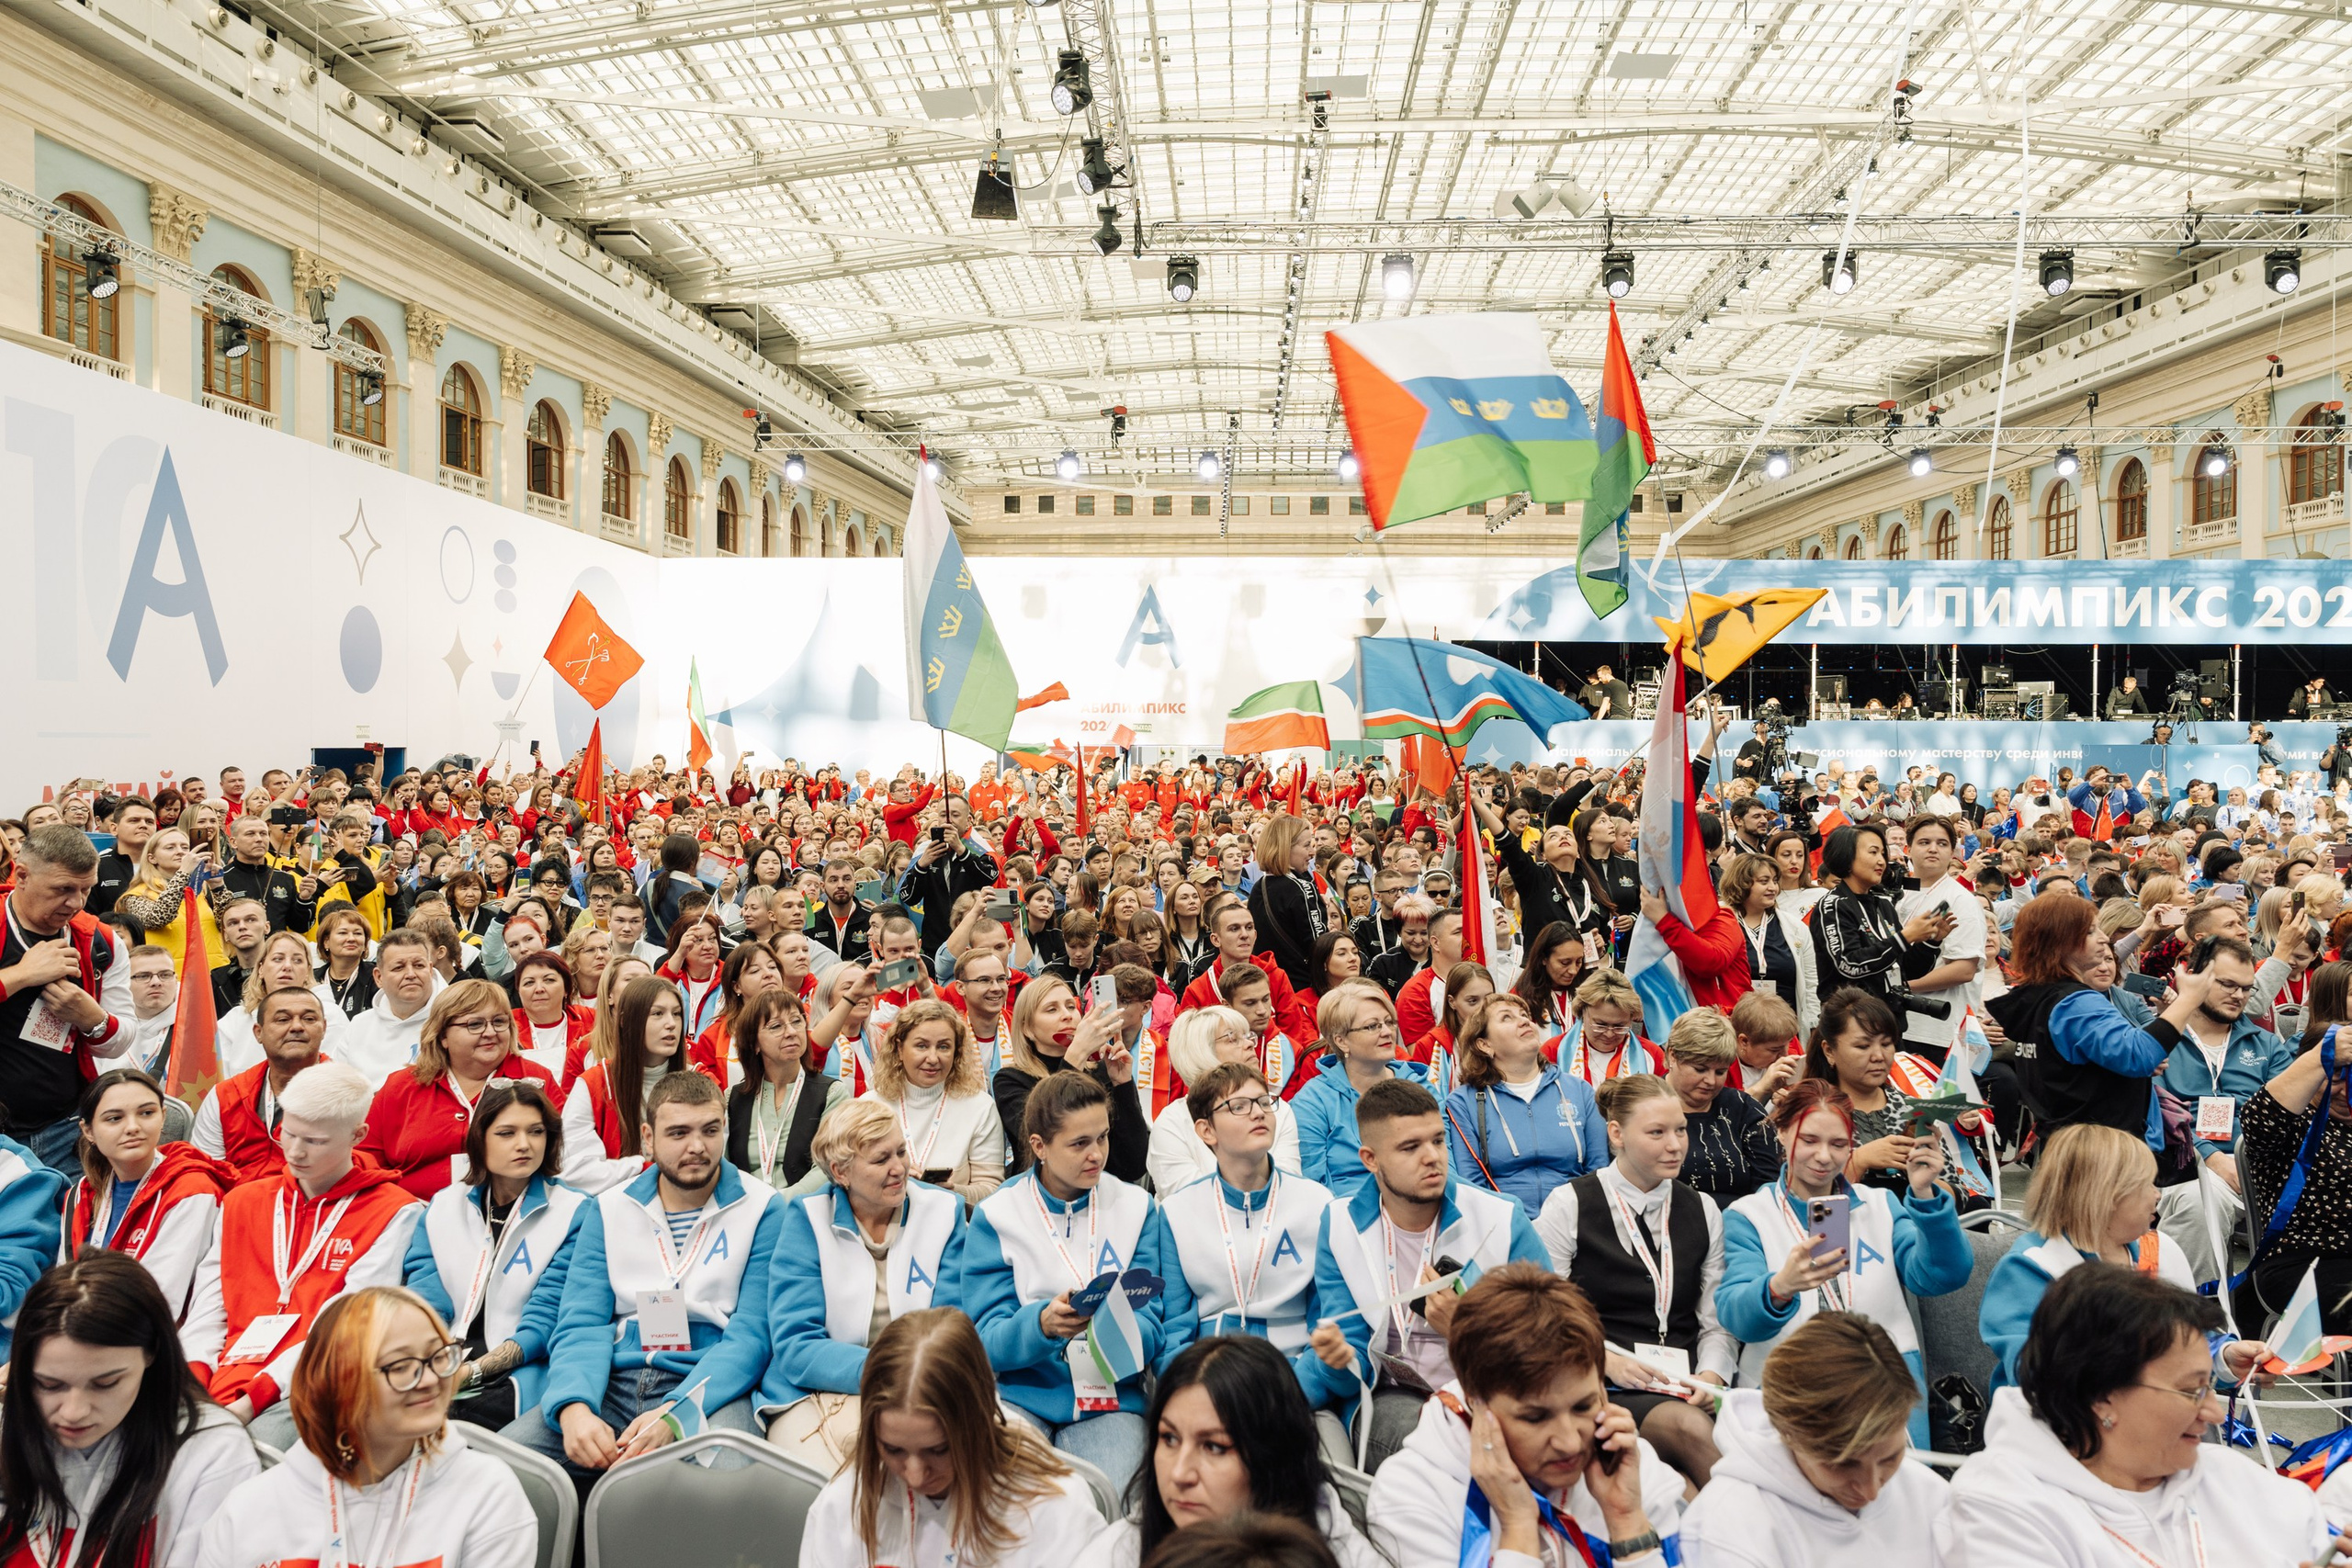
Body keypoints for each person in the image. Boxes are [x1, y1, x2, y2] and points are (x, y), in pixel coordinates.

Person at [1937, 1265, 2330, 1568]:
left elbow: (2314, 1538)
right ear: (2100, 1396)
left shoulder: (2230, 1477)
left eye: (2209, 1387)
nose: (2212, 1413)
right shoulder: (2001, 1512)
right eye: (2191, 1390)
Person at [512, 1070, 782, 1496]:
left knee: (731, 1487)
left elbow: (752, 1337)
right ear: (648, 1137)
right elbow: (580, 1323)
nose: (697, 1146)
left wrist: (676, 1415)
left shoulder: (764, 1207)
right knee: (506, 1466)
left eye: (711, 1130)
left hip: (707, 1384)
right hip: (611, 1383)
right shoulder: (607, 1208)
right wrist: (575, 1407)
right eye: (678, 1132)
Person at [195, 1285, 537, 1568]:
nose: (431, 1379)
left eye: (437, 1356)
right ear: (339, 1382)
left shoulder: (487, 1493)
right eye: (401, 1366)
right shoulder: (249, 1510)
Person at [1302, 1077, 1548, 1471]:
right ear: (1370, 1160)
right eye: (1410, 1147)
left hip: (1493, 1385)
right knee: (1438, 1448)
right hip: (1395, 1395)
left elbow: (1548, 1336)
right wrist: (1338, 1362)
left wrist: (1464, 1329)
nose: (1432, 1156)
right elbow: (1350, 1356)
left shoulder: (1500, 1217)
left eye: (1437, 1140)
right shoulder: (1340, 1225)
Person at [1366, 1263, 1682, 1565]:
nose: (1570, 1443)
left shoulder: (1628, 1465)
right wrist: (1518, 1529)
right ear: (1476, 1401)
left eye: (1584, 1406)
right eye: (1535, 1418)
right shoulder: (1412, 1494)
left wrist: (1627, 1524)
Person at [180, 1061, 424, 1449]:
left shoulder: (394, 1212)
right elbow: (209, 1307)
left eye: (315, 1141)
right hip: (221, 1372)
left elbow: (345, 1328)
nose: (294, 1151)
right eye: (288, 1133)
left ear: (357, 1135)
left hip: (313, 1378)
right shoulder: (244, 1200)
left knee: (245, 1454)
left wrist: (249, 1403)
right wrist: (194, 1383)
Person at [1715, 1079, 1971, 1448]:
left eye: (1838, 1144)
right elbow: (1737, 1316)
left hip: (1883, 1386)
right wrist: (1779, 1287)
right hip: (1791, 1388)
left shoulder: (1881, 1205)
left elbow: (1942, 1276)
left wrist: (1925, 1196)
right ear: (1783, 1134)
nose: (1824, 1157)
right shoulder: (1749, 1215)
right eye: (1809, 1140)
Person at [965, 1071, 1171, 1487]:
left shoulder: (1137, 1207)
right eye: (1079, 1143)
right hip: (1022, 1396)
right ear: (1039, 1146)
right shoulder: (998, 1215)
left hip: (1111, 1398)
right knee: (1000, 1493)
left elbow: (1153, 1323)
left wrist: (1115, 1330)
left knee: (1112, 1493)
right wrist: (1041, 1325)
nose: (1096, 1154)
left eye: (1102, 1137)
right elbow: (984, 1340)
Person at [0, 1249, 261, 1568]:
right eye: (50, 1385)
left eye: (105, 1383)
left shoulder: (210, 1452)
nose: (74, 1412)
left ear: (151, 1355)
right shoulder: (12, 1429)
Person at [1533, 1074, 1733, 1486]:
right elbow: (1542, 1315)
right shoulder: (1569, 1203)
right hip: (1605, 1381)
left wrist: (1712, 1376)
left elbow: (1714, 1320)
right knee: (1690, 1430)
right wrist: (1604, 1362)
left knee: (1693, 1481)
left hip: (1687, 1381)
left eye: (1680, 1130)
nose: (1676, 1145)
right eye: (1657, 1133)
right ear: (1616, 1134)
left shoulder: (1704, 1209)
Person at [797, 1307, 1104, 1568]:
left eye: (939, 1450)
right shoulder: (845, 1502)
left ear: (979, 1421)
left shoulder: (1052, 1508)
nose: (915, 1476)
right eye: (893, 1449)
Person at [1978, 1122, 2267, 1395]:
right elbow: (2035, 1375)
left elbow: (2187, 1336)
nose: (2158, 1195)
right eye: (2147, 1184)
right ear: (2103, 1195)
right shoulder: (2032, 1267)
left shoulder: (2162, 1249)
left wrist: (2225, 1357)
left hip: (2140, 1422)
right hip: (2052, 1430)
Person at [759, 1099, 968, 1469]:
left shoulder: (944, 1212)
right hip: (817, 1390)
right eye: (880, 1159)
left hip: (924, 1387)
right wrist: (890, 1370)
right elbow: (796, 1346)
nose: (899, 1168)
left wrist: (915, 1376)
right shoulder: (807, 1218)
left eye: (901, 1152)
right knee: (828, 1490)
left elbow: (953, 1326)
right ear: (841, 1172)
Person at [1083, 1335, 1384, 1568]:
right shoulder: (1121, 1551)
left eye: (1214, 1447)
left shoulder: (1339, 1549)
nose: (1179, 1474)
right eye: (1169, 1439)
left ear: (1273, 1455)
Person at [1679, 1313, 1946, 1568]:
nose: (1871, 1491)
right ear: (1787, 1432)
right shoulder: (1726, 1529)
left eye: (1890, 1458)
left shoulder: (1932, 1496)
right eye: (1843, 1465)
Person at [400, 1079, 588, 1430]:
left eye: (536, 1131)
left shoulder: (575, 1211)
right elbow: (424, 1300)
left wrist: (469, 1373)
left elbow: (546, 1320)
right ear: (479, 1139)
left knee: (452, 1422)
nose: (524, 1145)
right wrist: (431, 1364)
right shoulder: (444, 1205)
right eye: (506, 1133)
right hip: (441, 1358)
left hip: (519, 1368)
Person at [1988, 892, 2218, 1149]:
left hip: (2067, 1144)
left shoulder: (2036, 996)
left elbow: (2075, 1066)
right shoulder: (2076, 1002)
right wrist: (2188, 999)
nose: (2103, 938)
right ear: (2058, 941)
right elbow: (2140, 1056)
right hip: (2102, 1150)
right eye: (2090, 931)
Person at [1154, 1061, 1335, 1383]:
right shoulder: (1177, 1212)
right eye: (1238, 1106)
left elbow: (1330, 1322)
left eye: (1265, 1102)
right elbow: (1173, 1334)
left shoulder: (1318, 1203)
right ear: (1206, 1131)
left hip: (1294, 1376)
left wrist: (1295, 1392)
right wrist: (1198, 1395)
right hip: (1211, 1382)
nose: (1258, 1113)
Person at [0, 825, 136, 1171]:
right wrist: (20, 976)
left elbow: (120, 1042)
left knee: (75, 1224)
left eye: (85, 890)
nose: (75, 903)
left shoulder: (100, 941)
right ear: (22, 875)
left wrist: (91, 1018)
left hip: (65, 1128)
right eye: (62, 889)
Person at [359, 979, 561, 1201]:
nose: (490, 1032)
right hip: (414, 1213)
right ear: (443, 1035)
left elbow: (563, 1154)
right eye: (475, 1024)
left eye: (499, 1022)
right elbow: (365, 1160)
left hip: (515, 1213)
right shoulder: (401, 1087)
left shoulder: (536, 1080)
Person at [62, 1067, 235, 1319]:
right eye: (114, 1119)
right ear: (88, 1131)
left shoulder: (193, 1190)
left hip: (155, 1338)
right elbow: (65, 1282)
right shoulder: (81, 1194)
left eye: (146, 1113)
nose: (133, 1127)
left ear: (163, 1117)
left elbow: (162, 1299)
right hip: (87, 1327)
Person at [1443, 993, 1606, 1216]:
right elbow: (1471, 1184)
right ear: (1484, 1044)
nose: (1524, 1021)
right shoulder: (1464, 1102)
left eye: (1524, 1015)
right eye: (1506, 1018)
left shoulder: (1579, 1090)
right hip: (1505, 1227)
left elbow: (1598, 1172)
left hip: (1575, 1222)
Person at [2236, 1023, 2352, 1329]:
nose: (2347, 1090)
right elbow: (2257, 1118)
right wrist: (2321, 1056)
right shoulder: (2296, 1127)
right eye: (2337, 1076)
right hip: (2304, 1261)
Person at [562, 974, 712, 1194]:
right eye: (657, 1014)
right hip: (615, 1209)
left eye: (677, 1014)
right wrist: (643, 1167)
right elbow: (575, 1172)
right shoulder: (594, 1084)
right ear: (624, 1020)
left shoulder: (702, 1082)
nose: (671, 1024)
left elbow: (712, 1160)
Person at [991, 974, 1149, 1182]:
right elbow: (1047, 1142)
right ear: (1027, 1028)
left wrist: (1123, 1085)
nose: (1067, 1015)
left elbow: (1134, 1163)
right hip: (1040, 1197)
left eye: (1071, 1007)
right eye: (1052, 1009)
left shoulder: (1099, 1071)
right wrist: (1075, 1056)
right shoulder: (1011, 1079)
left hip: (1099, 1193)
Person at [1289, 981, 1433, 1201]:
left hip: (1423, 1209)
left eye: (1389, 1022)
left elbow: (1447, 1168)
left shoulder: (1421, 1087)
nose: (1387, 1032)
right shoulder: (1312, 1102)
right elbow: (1313, 1188)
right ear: (1341, 1041)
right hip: (1348, 1218)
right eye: (1372, 1026)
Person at [1147, 1007, 1303, 1193]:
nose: (1250, 1044)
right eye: (1232, 1039)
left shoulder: (1276, 1109)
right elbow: (1185, 1201)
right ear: (1200, 1051)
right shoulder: (1172, 1122)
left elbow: (1289, 1188)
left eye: (1247, 1036)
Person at [1809, 825, 1954, 1021]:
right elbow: (1850, 965)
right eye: (1873, 852)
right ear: (1847, 857)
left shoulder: (1883, 904)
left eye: (1883, 853)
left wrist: (1930, 943)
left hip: (1889, 1019)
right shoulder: (1833, 905)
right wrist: (1904, 938)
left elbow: (1906, 971)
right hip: (1851, 1022)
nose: (1881, 861)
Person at [722, 987, 848, 1198]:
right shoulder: (732, 1098)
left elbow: (830, 1166)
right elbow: (722, 1167)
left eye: (797, 1021)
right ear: (754, 1043)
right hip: (743, 1211)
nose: (791, 1032)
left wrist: (777, 1203)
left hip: (807, 1211)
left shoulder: (831, 1094)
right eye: (776, 1026)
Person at [1891, 815, 1984, 1059]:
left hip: (1939, 1030)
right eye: (1924, 842)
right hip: (1897, 1024)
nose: (1933, 849)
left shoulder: (1960, 899)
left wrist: (1901, 989)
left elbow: (1964, 969)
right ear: (1908, 848)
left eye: (1942, 843)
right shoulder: (1898, 892)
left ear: (1953, 851)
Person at [1724, 855, 1816, 1040]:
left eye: (1775, 881)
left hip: (1787, 1034)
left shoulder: (1795, 928)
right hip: (1736, 1031)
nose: (1773, 888)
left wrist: (1814, 1025)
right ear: (1742, 883)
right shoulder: (1723, 921)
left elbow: (1812, 983)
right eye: (1764, 881)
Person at [336, 931, 446, 1086]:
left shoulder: (454, 1019)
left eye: (418, 965)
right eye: (398, 967)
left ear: (430, 969)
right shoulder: (359, 1025)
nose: (410, 974)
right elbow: (337, 1085)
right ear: (379, 977)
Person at [1247, 816, 1327, 994]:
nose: (1312, 853)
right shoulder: (1302, 887)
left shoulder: (1259, 887)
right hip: (1303, 989)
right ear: (1285, 848)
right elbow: (1319, 946)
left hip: (1269, 986)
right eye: (1307, 846)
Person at [1561, 968, 1664, 1084]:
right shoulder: (1555, 1051)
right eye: (1600, 1025)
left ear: (1631, 1018)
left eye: (1619, 1026)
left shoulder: (1652, 1054)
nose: (1609, 1034)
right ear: (1582, 1013)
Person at [511, 950, 593, 1087]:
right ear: (519, 991)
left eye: (549, 980)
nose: (539, 989)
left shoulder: (590, 1020)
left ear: (567, 989)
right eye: (529, 983)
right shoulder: (504, 1026)